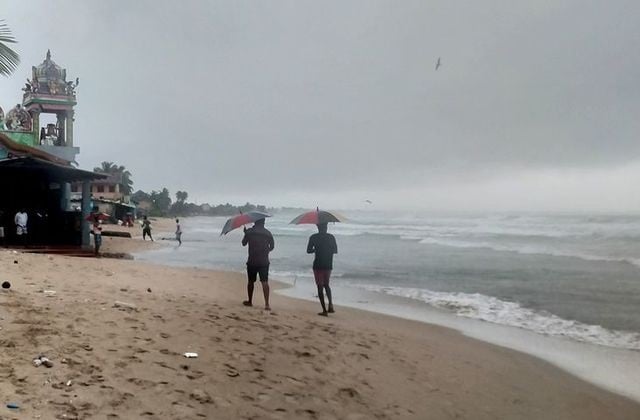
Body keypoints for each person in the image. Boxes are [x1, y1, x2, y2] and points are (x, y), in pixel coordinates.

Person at [241, 218, 275, 310]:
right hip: (264, 261)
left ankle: (250, 301)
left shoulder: (250, 232)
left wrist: (245, 233)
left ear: (255, 222)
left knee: (251, 281)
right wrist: (266, 251)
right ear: (263, 222)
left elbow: (243, 243)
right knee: (264, 282)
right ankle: (267, 304)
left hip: (252, 260)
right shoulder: (268, 233)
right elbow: (272, 247)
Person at [307, 223, 338, 316]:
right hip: (328, 264)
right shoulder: (331, 237)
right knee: (327, 285)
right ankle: (331, 305)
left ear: (317, 227)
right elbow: (335, 251)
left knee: (320, 287)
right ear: (326, 227)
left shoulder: (313, 237)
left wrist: (316, 250)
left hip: (318, 264)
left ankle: (324, 310)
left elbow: (308, 250)